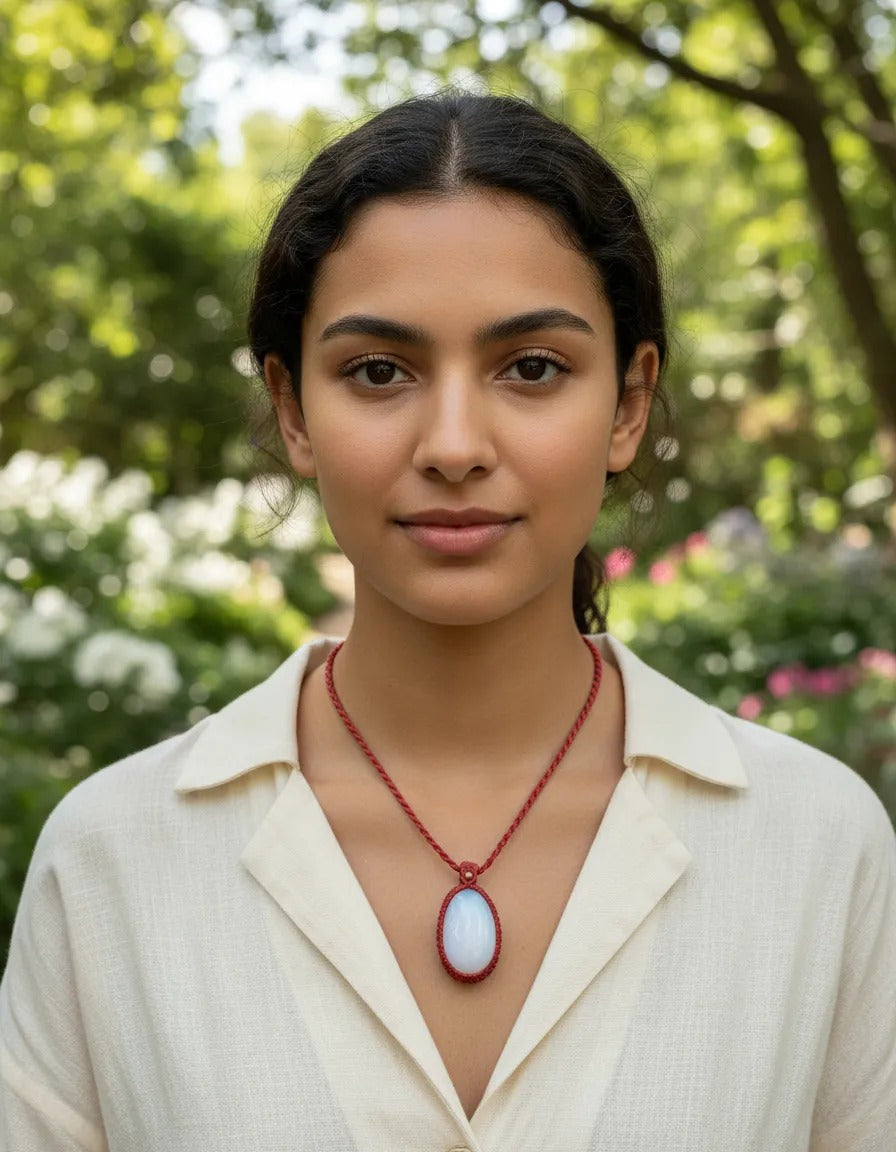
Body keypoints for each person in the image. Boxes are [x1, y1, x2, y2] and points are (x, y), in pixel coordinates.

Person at [1, 90, 894, 1152]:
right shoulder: (114, 862)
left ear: (627, 403)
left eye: (531, 368)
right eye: (378, 371)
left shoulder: (811, 846)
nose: (455, 443)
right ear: (292, 409)